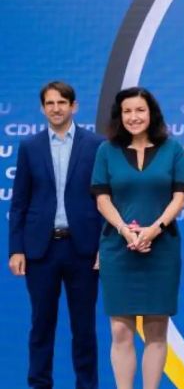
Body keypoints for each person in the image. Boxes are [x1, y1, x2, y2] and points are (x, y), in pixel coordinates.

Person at [91, 87, 184, 389]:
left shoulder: (172, 148)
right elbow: (101, 199)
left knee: (156, 330)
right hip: (118, 248)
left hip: (161, 249)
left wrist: (153, 230)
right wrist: (125, 229)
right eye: (127, 112)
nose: (134, 117)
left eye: (140, 110)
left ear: (151, 114)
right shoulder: (106, 151)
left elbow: (180, 197)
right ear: (119, 116)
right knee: (120, 331)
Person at [8, 81, 104, 389]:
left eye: (62, 102)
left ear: (74, 106)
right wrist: (16, 249)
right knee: (41, 326)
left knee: (84, 327)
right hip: (41, 250)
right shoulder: (29, 147)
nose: (56, 108)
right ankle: (39, 384)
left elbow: (106, 199)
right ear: (42, 108)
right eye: (50, 103)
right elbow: (19, 201)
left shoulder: (96, 145)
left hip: (84, 249)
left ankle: (87, 385)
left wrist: (105, 245)